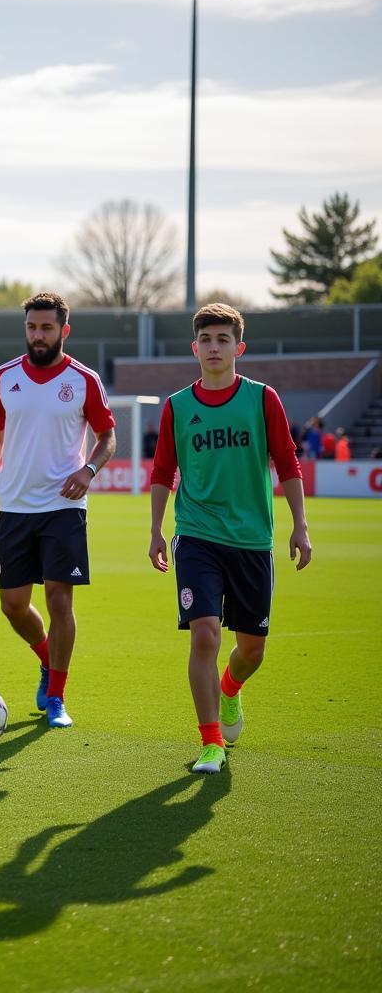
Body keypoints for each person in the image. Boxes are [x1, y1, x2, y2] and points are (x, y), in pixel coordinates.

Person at [148, 304, 312, 775]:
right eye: (207, 339)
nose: (214, 347)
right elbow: (162, 471)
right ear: (194, 347)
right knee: (205, 634)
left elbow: (287, 462)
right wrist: (157, 530)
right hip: (196, 536)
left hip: (253, 540)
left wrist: (299, 524)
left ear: (239, 348)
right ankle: (211, 742)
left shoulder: (262, 399)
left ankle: (231, 689)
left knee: (251, 650)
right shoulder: (177, 406)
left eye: (223, 339)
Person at [0, 292, 116, 729]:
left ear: (64, 331)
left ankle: (56, 697)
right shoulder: (4, 377)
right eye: (32, 327)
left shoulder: (84, 380)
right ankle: (47, 660)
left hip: (63, 506)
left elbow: (108, 437)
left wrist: (89, 470)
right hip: (13, 506)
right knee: (13, 605)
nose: (38, 335)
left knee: (58, 600)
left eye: (47, 328)